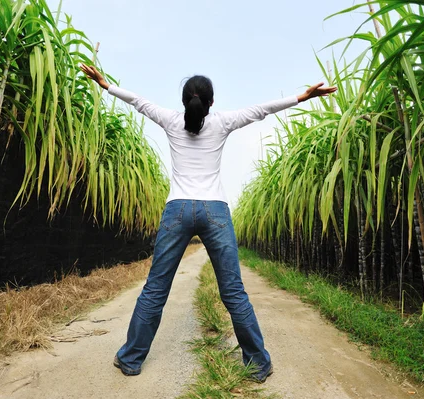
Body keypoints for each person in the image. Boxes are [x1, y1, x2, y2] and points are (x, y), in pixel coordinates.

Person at [80, 64, 336, 383]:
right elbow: (261, 110)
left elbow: (137, 101)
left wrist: (105, 84)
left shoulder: (171, 119)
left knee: (155, 288)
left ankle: (131, 358)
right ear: (210, 103)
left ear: (185, 102)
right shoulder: (222, 121)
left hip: (177, 210)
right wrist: (301, 97)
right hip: (215, 210)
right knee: (233, 291)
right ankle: (257, 363)